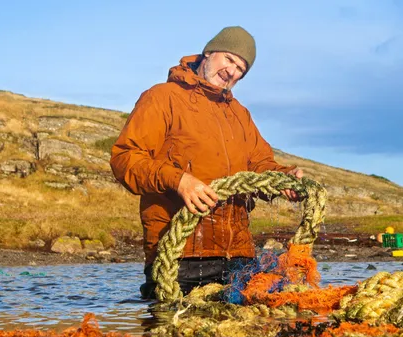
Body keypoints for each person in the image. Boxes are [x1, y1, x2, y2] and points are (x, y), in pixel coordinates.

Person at [110, 26, 304, 299]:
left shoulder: (240, 114)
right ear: (208, 53)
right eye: (229, 59)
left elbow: (259, 164)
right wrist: (179, 180)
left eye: (241, 69)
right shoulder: (162, 97)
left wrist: (285, 178)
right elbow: (125, 158)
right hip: (179, 257)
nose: (232, 71)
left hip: (238, 258)